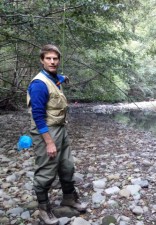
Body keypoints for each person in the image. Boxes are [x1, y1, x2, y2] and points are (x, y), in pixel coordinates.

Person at [27, 44, 87, 225]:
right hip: (46, 131)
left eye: (55, 58)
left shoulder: (53, 78)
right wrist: (49, 142)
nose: (52, 62)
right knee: (46, 172)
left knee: (67, 166)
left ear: (59, 60)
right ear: (42, 60)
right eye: (48, 58)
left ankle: (69, 198)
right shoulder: (38, 84)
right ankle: (43, 209)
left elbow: (55, 81)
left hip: (60, 129)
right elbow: (37, 116)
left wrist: (61, 78)